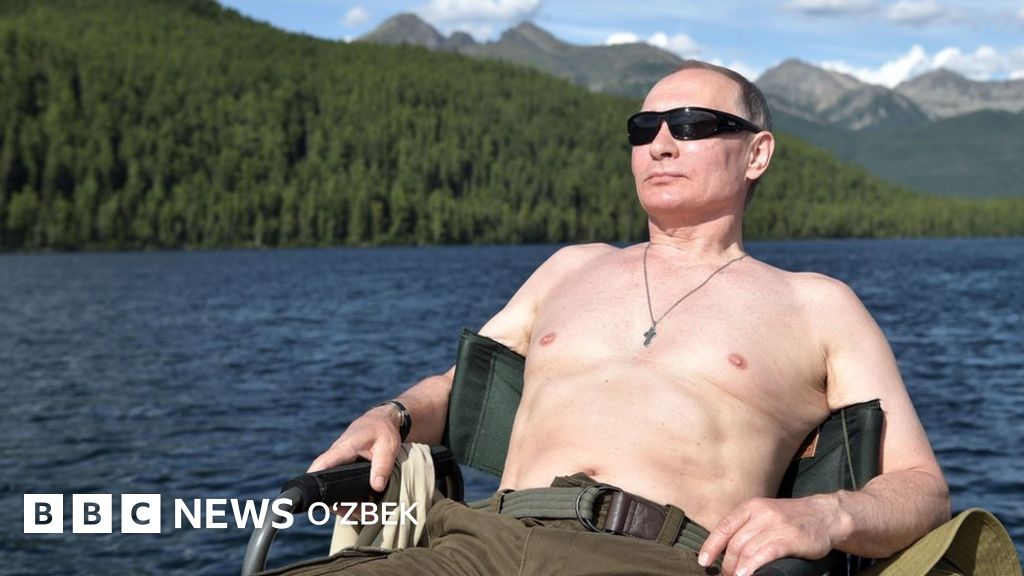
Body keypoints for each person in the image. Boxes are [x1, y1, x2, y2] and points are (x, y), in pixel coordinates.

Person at [284, 60, 950, 576]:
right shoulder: (571, 267)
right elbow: (460, 389)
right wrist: (393, 416)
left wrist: (829, 515)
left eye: (690, 125)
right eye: (643, 129)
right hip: (474, 543)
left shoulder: (816, 305)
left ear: (757, 153)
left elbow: (921, 489)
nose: (660, 144)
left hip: (652, 556)